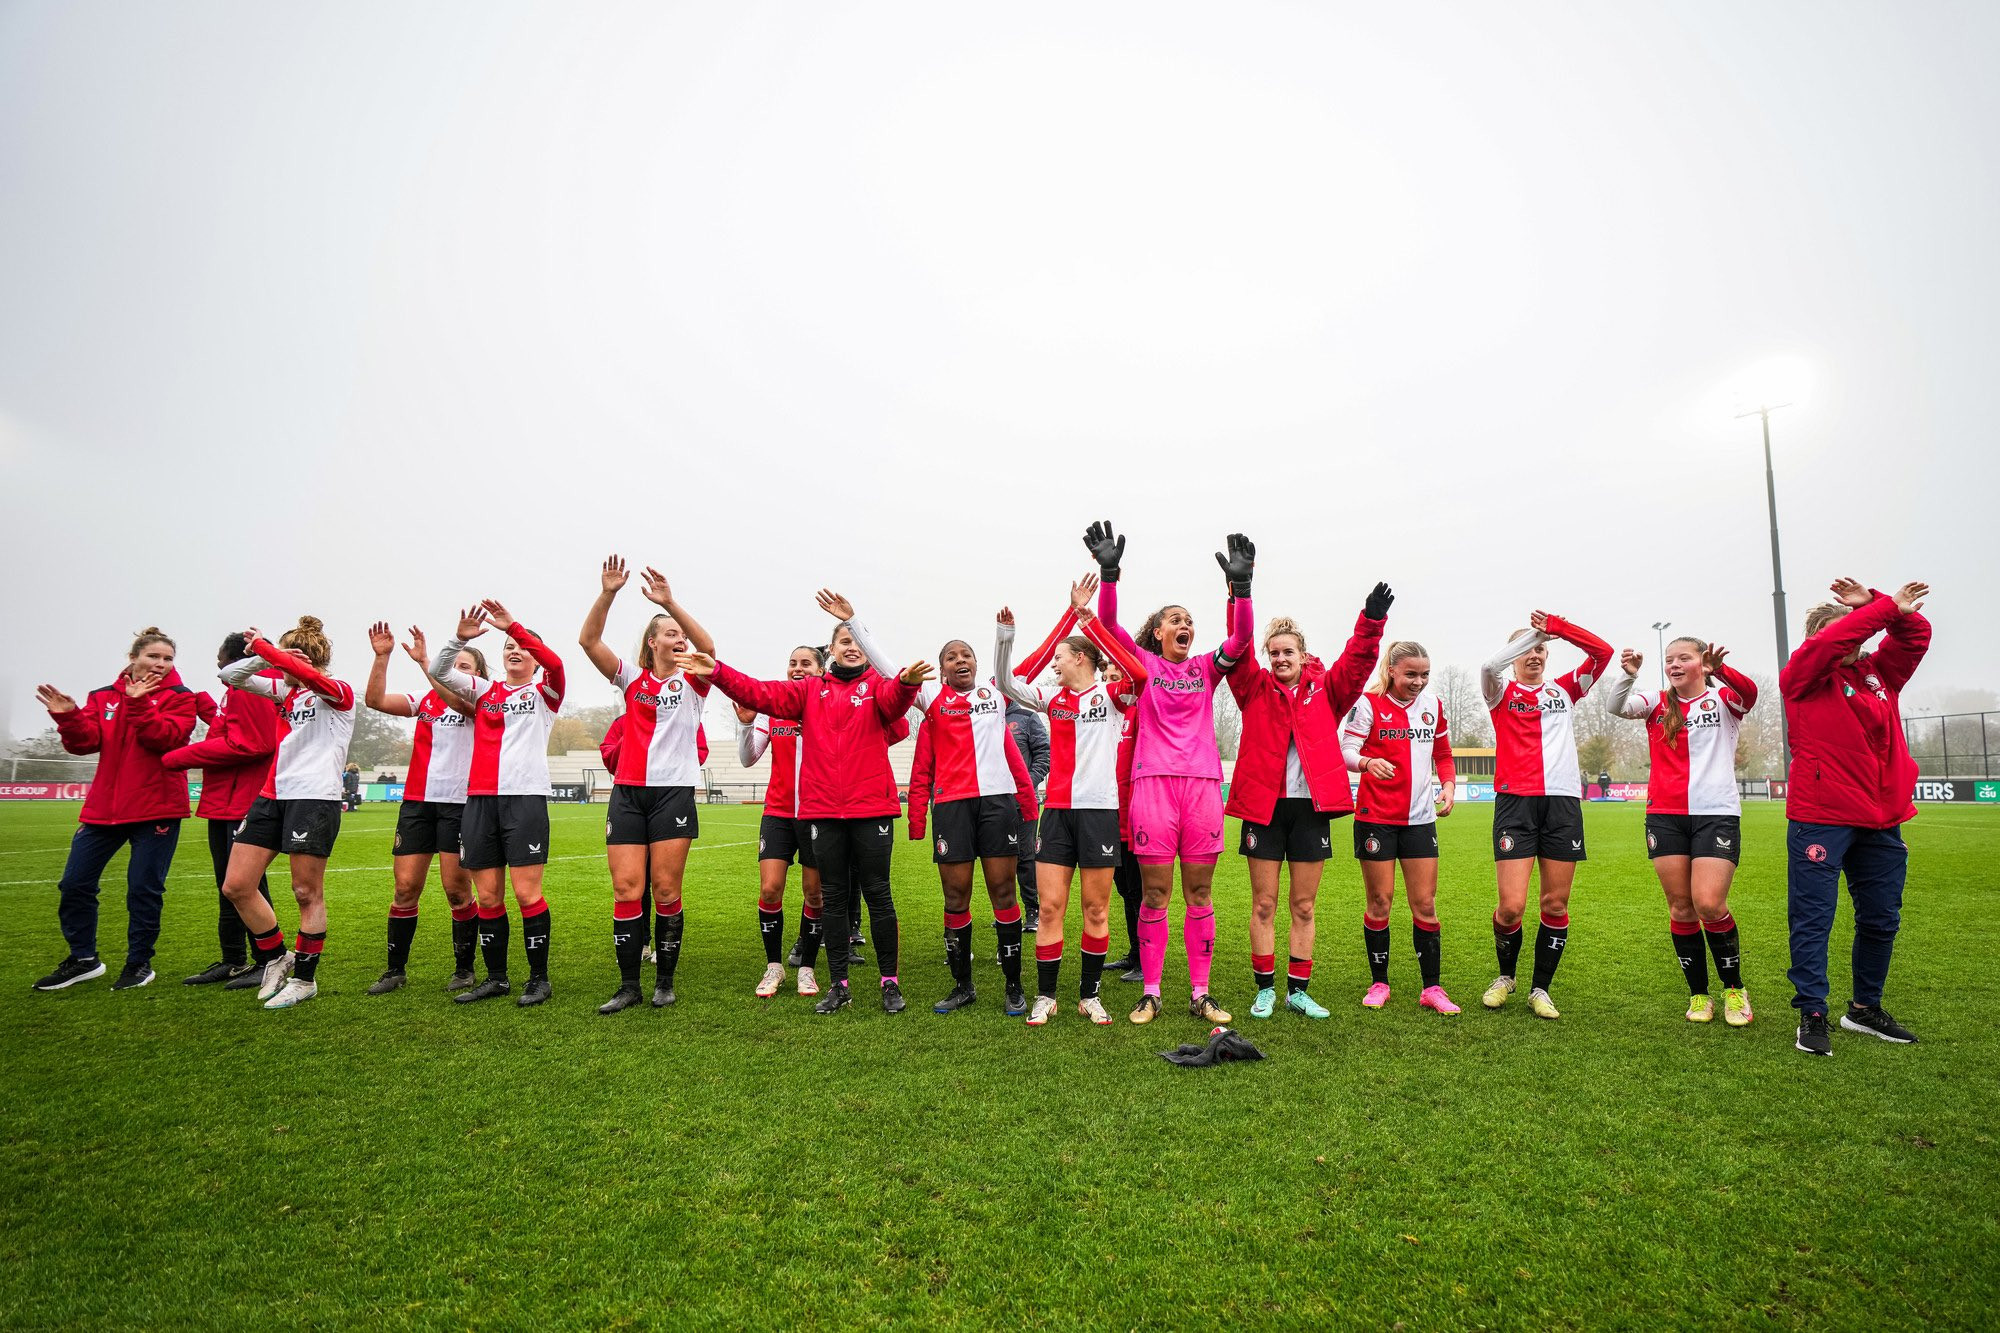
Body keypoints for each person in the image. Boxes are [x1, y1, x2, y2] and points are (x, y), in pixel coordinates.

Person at [684, 593, 931, 1015]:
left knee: (878, 896)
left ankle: (889, 982)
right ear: (830, 650)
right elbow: (758, 693)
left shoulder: (878, 689)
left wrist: (906, 683)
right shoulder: (808, 692)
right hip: (822, 812)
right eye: (842, 641)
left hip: (871, 810)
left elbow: (898, 702)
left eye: (856, 641)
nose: (850, 646)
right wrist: (719, 673)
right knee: (832, 899)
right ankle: (839, 984)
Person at [1083, 521, 1255, 1025]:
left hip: (1201, 788)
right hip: (1153, 788)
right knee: (1154, 894)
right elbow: (1111, 630)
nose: (1184, 625)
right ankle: (1151, 992)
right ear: (1158, 632)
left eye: (1188, 619)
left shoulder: (1206, 667)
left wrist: (1241, 589)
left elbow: (1241, 636)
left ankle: (1200, 993)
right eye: (1174, 620)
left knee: (1200, 893)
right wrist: (1109, 573)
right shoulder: (1142, 665)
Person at [1780, 578, 1931, 1057]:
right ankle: (1813, 1012)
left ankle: (1865, 1009)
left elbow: (1915, 636)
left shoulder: (1877, 673)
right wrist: (1880, 609)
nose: (1854, 638)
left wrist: (1881, 607)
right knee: (1814, 919)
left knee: (1882, 918)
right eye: (1844, 631)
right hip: (1822, 815)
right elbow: (1831, 642)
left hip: (1882, 817)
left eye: (1857, 630)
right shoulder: (1803, 675)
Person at [1226, 592, 1388, 1019]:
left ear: (1303, 654)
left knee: (1303, 905)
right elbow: (1236, 647)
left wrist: (1371, 622)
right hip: (1265, 809)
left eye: (1288, 652)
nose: (1281, 658)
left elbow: (1357, 664)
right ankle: (1265, 990)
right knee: (1263, 905)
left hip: (1310, 811)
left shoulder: (1328, 690)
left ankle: (1298, 991)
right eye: (1274, 652)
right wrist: (1238, 593)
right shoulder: (1253, 688)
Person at [995, 577, 1148, 1025]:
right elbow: (1009, 682)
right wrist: (1005, 638)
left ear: (1080, 658)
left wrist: (1090, 620)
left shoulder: (1111, 695)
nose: (1054, 665)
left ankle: (1089, 995)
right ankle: (1046, 996)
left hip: (1100, 814)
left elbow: (1138, 674)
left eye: (1059, 658)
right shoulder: (1051, 699)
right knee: (1049, 908)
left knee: (1097, 908)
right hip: (1057, 814)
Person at [578, 556, 714, 1014]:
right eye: (669, 633)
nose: (678, 639)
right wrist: (609, 593)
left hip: (673, 793)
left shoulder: (694, 682)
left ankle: (665, 982)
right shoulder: (631, 680)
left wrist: (671, 603)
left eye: (681, 633)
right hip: (628, 795)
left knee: (666, 890)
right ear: (652, 642)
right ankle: (628, 985)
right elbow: (588, 640)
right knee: (626, 889)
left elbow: (708, 645)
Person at [32, 628, 202, 992]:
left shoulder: (181, 697)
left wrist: (139, 703)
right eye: (153, 656)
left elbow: (165, 740)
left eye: (168, 658)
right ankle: (83, 959)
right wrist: (68, 717)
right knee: (74, 883)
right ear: (133, 657)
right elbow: (84, 744)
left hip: (156, 808)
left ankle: (139, 963)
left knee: (143, 888)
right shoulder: (103, 696)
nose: (160, 663)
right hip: (103, 810)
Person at [1604, 637, 1759, 1026]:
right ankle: (1699, 994)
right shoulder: (1656, 703)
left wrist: (1720, 670)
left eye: (1683, 658)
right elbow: (1616, 706)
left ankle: (1734, 989)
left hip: (1716, 815)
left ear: (1701, 662)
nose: (1674, 665)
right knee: (1681, 907)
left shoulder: (1723, 701)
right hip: (1665, 817)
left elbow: (1749, 693)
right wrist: (1629, 675)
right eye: (1669, 660)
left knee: (1709, 903)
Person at [210, 617, 357, 1010]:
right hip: (272, 796)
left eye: (286, 662)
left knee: (305, 892)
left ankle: (305, 979)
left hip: (314, 798)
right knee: (237, 885)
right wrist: (263, 660)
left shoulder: (338, 691)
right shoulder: (284, 691)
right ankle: (277, 957)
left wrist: (276, 654)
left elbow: (315, 681)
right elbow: (229, 675)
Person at [1478, 609, 1612, 1019]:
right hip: (1515, 802)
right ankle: (1506, 977)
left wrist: (1558, 629)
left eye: (1540, 649)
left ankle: (1540, 988)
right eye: (1526, 649)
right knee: (1511, 908)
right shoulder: (1499, 691)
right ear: (1513, 655)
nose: (1534, 654)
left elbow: (1602, 653)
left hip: (1562, 803)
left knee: (1554, 903)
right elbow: (1488, 665)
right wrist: (1529, 634)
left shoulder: (1565, 690)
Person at [432, 601, 566, 1008]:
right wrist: (459, 638)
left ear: (533, 656)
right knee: (488, 896)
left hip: (524, 801)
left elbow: (556, 664)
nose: (514, 650)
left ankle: (538, 980)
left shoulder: (545, 692)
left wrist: (519, 628)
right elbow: (439, 673)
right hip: (479, 803)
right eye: (508, 645)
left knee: (527, 894)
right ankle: (496, 978)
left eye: (522, 646)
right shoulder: (485, 691)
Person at [903, 633, 1041, 1018]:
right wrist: (853, 622)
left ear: (977, 665)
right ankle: (963, 986)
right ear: (941, 668)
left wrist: (1006, 636)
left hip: (997, 805)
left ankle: (1014, 986)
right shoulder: (931, 702)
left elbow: (1030, 663)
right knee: (955, 897)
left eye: (966, 655)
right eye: (950, 656)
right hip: (951, 807)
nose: (959, 660)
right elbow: (921, 765)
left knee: (1003, 892)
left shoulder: (995, 697)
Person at [360, 621, 484, 994]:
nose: (457, 671)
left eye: (465, 667)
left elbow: (457, 700)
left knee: (456, 891)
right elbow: (375, 701)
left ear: (478, 676)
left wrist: (429, 664)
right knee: (404, 888)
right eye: (454, 665)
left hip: (459, 804)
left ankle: (464, 969)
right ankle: (395, 970)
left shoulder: (481, 699)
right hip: (417, 803)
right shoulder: (424, 698)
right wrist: (382, 658)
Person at [1341, 639, 1460, 1015]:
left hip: (1420, 820)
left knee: (1425, 904)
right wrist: (1366, 763)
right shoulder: (1368, 704)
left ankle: (1432, 988)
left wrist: (1450, 784)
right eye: (1411, 674)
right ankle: (1380, 983)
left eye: (1424, 674)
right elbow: (1345, 750)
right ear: (1391, 671)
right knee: (1380, 902)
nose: (1418, 681)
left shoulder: (1433, 706)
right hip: (1376, 818)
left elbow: (1442, 753)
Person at [163, 632, 282, 987]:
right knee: (227, 884)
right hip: (224, 800)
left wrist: (178, 758)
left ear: (235, 659)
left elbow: (253, 743)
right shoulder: (236, 690)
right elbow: (229, 735)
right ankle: (233, 959)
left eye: (220, 658)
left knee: (245, 884)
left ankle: (268, 959)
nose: (217, 664)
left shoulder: (255, 685)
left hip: (245, 799)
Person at [737, 645, 834, 999]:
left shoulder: (827, 706)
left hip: (816, 813)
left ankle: (807, 968)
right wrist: (745, 722)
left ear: (821, 670)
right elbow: (748, 758)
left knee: (814, 893)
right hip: (777, 812)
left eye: (805, 663)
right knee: (770, 889)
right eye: (792, 663)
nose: (797, 668)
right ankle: (773, 966)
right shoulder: (772, 710)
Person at [1006, 696, 1051, 930]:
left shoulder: (1026, 717)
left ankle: (1033, 911)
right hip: (993, 804)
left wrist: (1026, 784)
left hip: (1023, 802)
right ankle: (1005, 910)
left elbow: (1044, 755)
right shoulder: (984, 716)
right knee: (1000, 860)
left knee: (1025, 857)